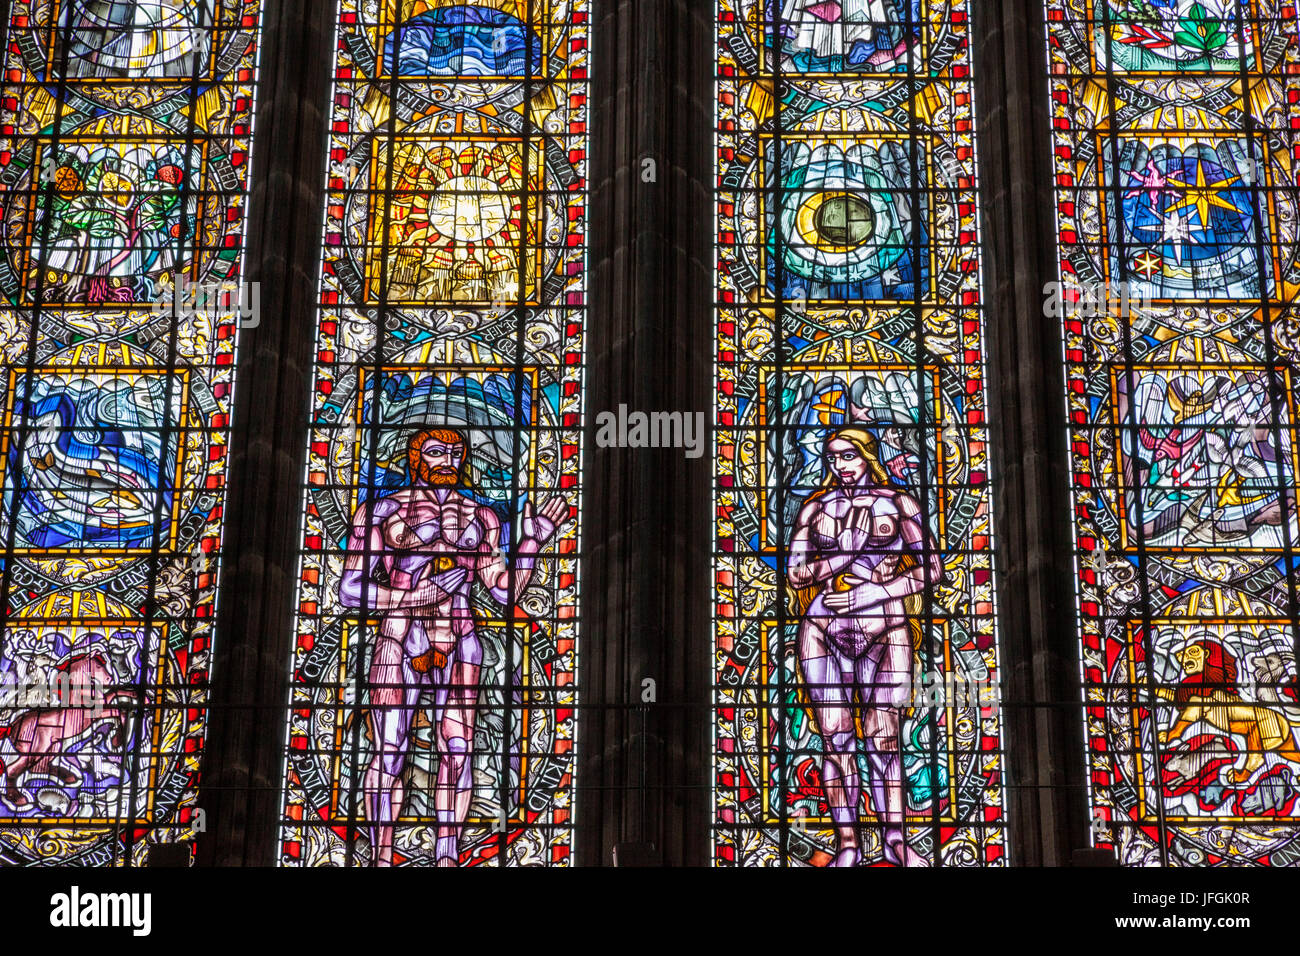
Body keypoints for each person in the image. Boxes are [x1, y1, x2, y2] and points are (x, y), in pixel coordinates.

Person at [339, 427, 568, 865]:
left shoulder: (480, 517)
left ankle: (448, 855)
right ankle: (381, 858)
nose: (447, 459)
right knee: (389, 750)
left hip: (460, 638)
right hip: (399, 636)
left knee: (458, 751)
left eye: (455, 452)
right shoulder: (382, 510)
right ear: (415, 457)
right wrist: (414, 597)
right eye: (436, 452)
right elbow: (351, 589)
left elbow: (503, 591)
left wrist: (532, 542)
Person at [787, 427, 940, 866]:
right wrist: (845, 556)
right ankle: (848, 843)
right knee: (835, 739)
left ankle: (895, 837)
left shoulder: (897, 503)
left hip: (885, 626)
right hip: (823, 629)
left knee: (884, 737)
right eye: (833, 458)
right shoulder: (815, 509)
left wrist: (876, 592)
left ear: (867, 456)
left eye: (849, 456)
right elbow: (796, 574)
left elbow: (933, 568)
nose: (841, 466)